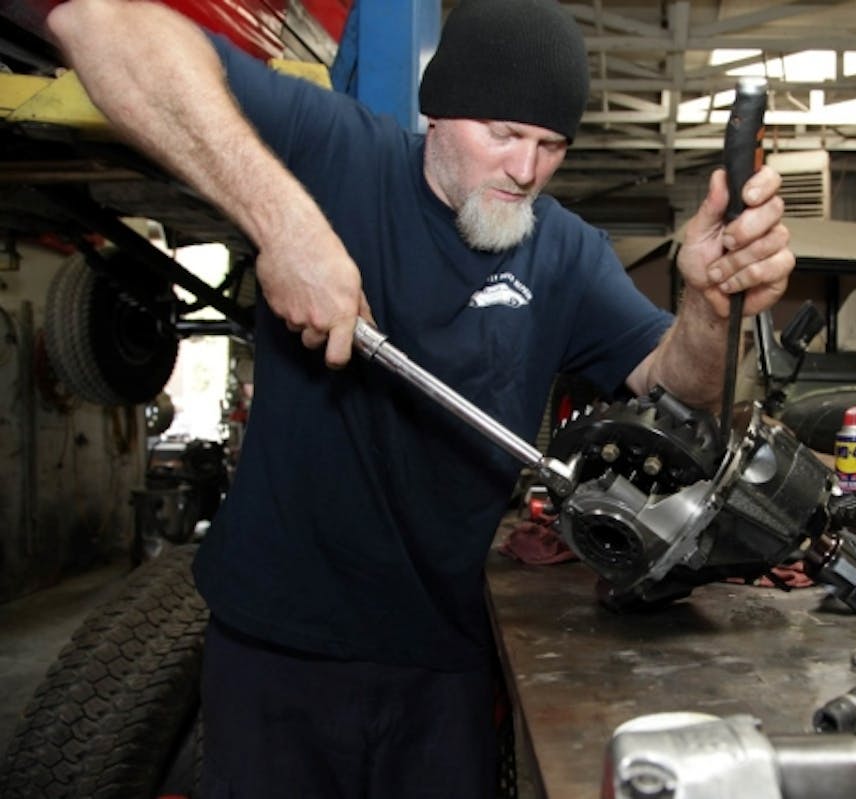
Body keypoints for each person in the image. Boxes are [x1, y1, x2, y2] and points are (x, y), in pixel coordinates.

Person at [46, 0, 794, 796]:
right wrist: (285, 224)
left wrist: (710, 311)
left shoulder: (566, 253)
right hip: (279, 651)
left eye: (550, 145)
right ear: (436, 109)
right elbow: (97, 23)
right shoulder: (339, 155)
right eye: (502, 133)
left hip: (446, 661)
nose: (525, 170)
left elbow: (673, 386)